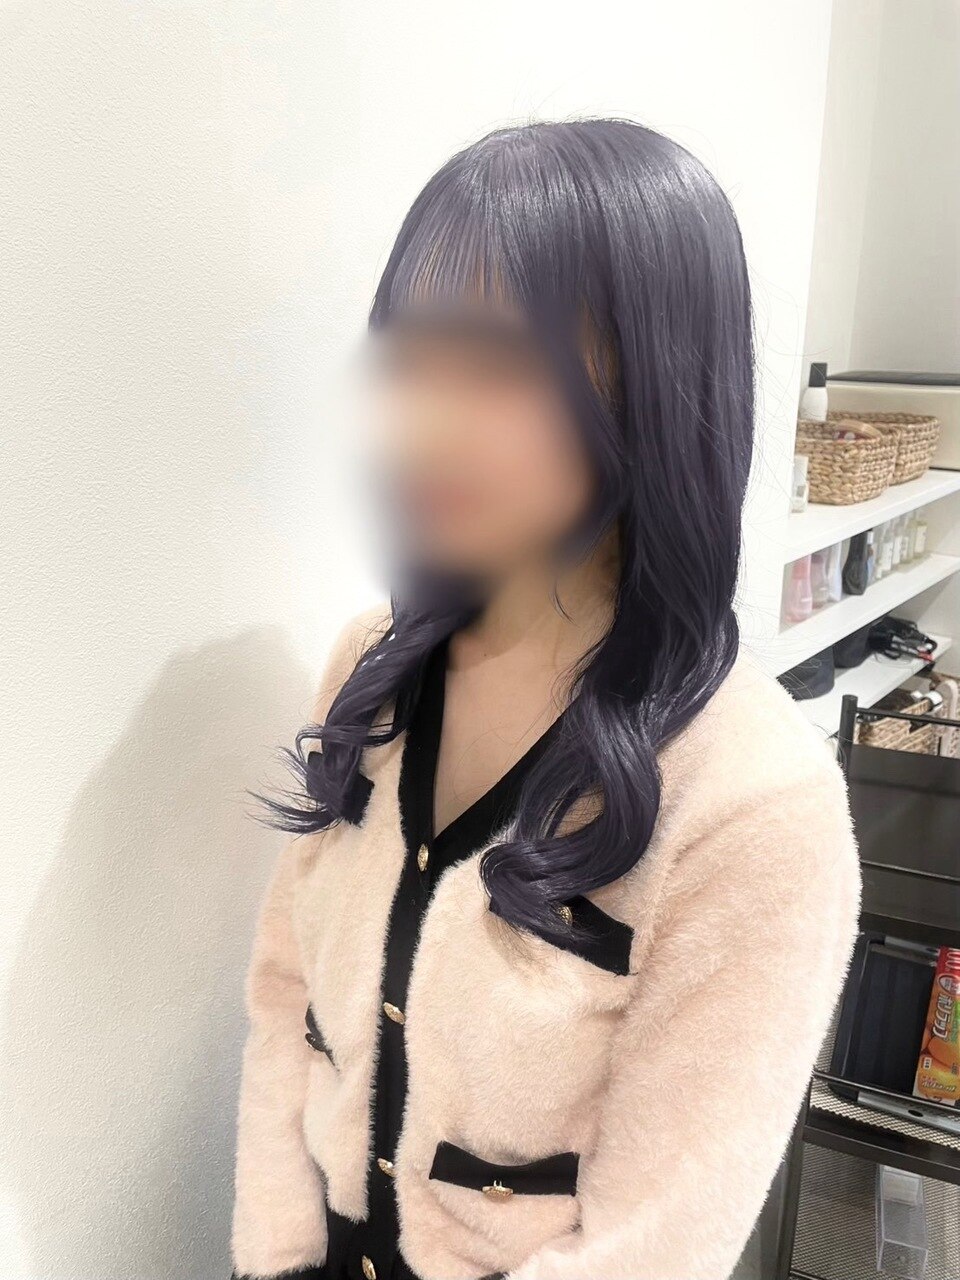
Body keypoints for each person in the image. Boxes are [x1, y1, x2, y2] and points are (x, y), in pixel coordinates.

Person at [229, 117, 862, 1280]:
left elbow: (656, 1239)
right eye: (405, 363)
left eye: (497, 368)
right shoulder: (374, 665)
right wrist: (272, 1249)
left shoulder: (753, 801)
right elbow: (287, 1001)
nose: (422, 423)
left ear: (653, 387)